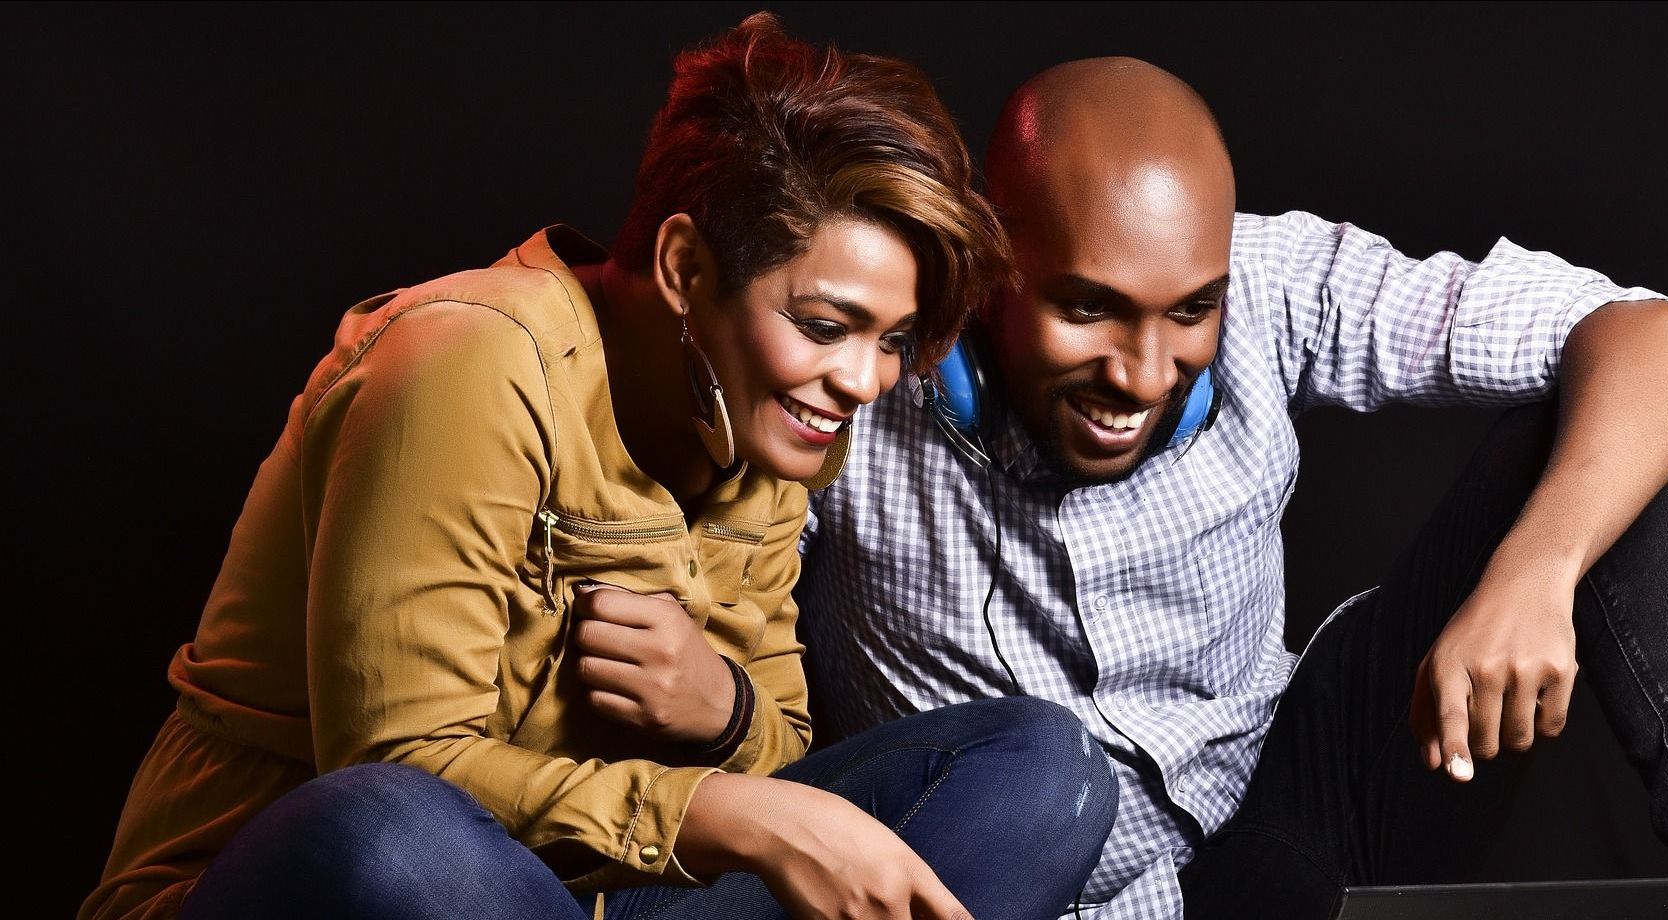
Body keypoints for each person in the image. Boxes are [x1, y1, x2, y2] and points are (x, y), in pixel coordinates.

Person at [82, 17, 1117, 920]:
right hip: (322, 885)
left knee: (1041, 767)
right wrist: (726, 811)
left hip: (599, 893)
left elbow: (782, 747)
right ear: (685, 267)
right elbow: (397, 769)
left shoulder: (773, 422)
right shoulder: (468, 359)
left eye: (890, 339)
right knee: (390, 827)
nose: (863, 380)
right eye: (823, 324)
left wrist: (724, 712)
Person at [794, 57, 1668, 918]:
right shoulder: (853, 380)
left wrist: (1536, 570)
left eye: (1189, 312)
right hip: (1043, 891)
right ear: (986, 261)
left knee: (1596, 451)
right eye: (1089, 309)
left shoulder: (1271, 281)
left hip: (1298, 810)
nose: (1146, 375)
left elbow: (1661, 339)